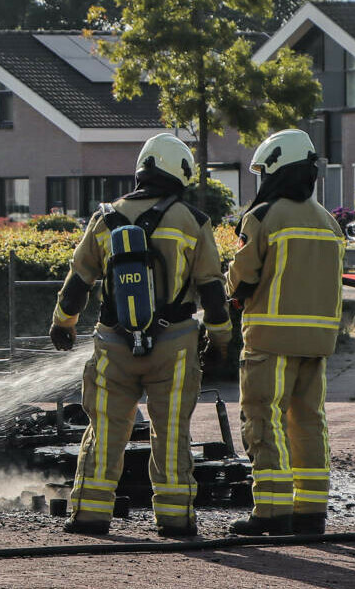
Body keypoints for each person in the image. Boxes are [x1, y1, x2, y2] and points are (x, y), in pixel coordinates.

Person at [49, 134, 234, 538]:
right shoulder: (193, 221)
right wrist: (220, 341)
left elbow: (79, 281)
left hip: (113, 344)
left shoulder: (104, 218)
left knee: (106, 429)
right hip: (176, 343)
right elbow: (212, 291)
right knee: (169, 432)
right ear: (180, 173)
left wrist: (63, 323)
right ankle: (175, 519)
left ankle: (89, 516)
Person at [226, 129, 345, 537]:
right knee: (309, 422)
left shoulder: (263, 217)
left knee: (265, 419)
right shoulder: (330, 223)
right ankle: (311, 512)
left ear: (275, 171)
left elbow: (242, 277)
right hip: (317, 344)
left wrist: (231, 290)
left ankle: (272, 512)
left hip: (269, 341)